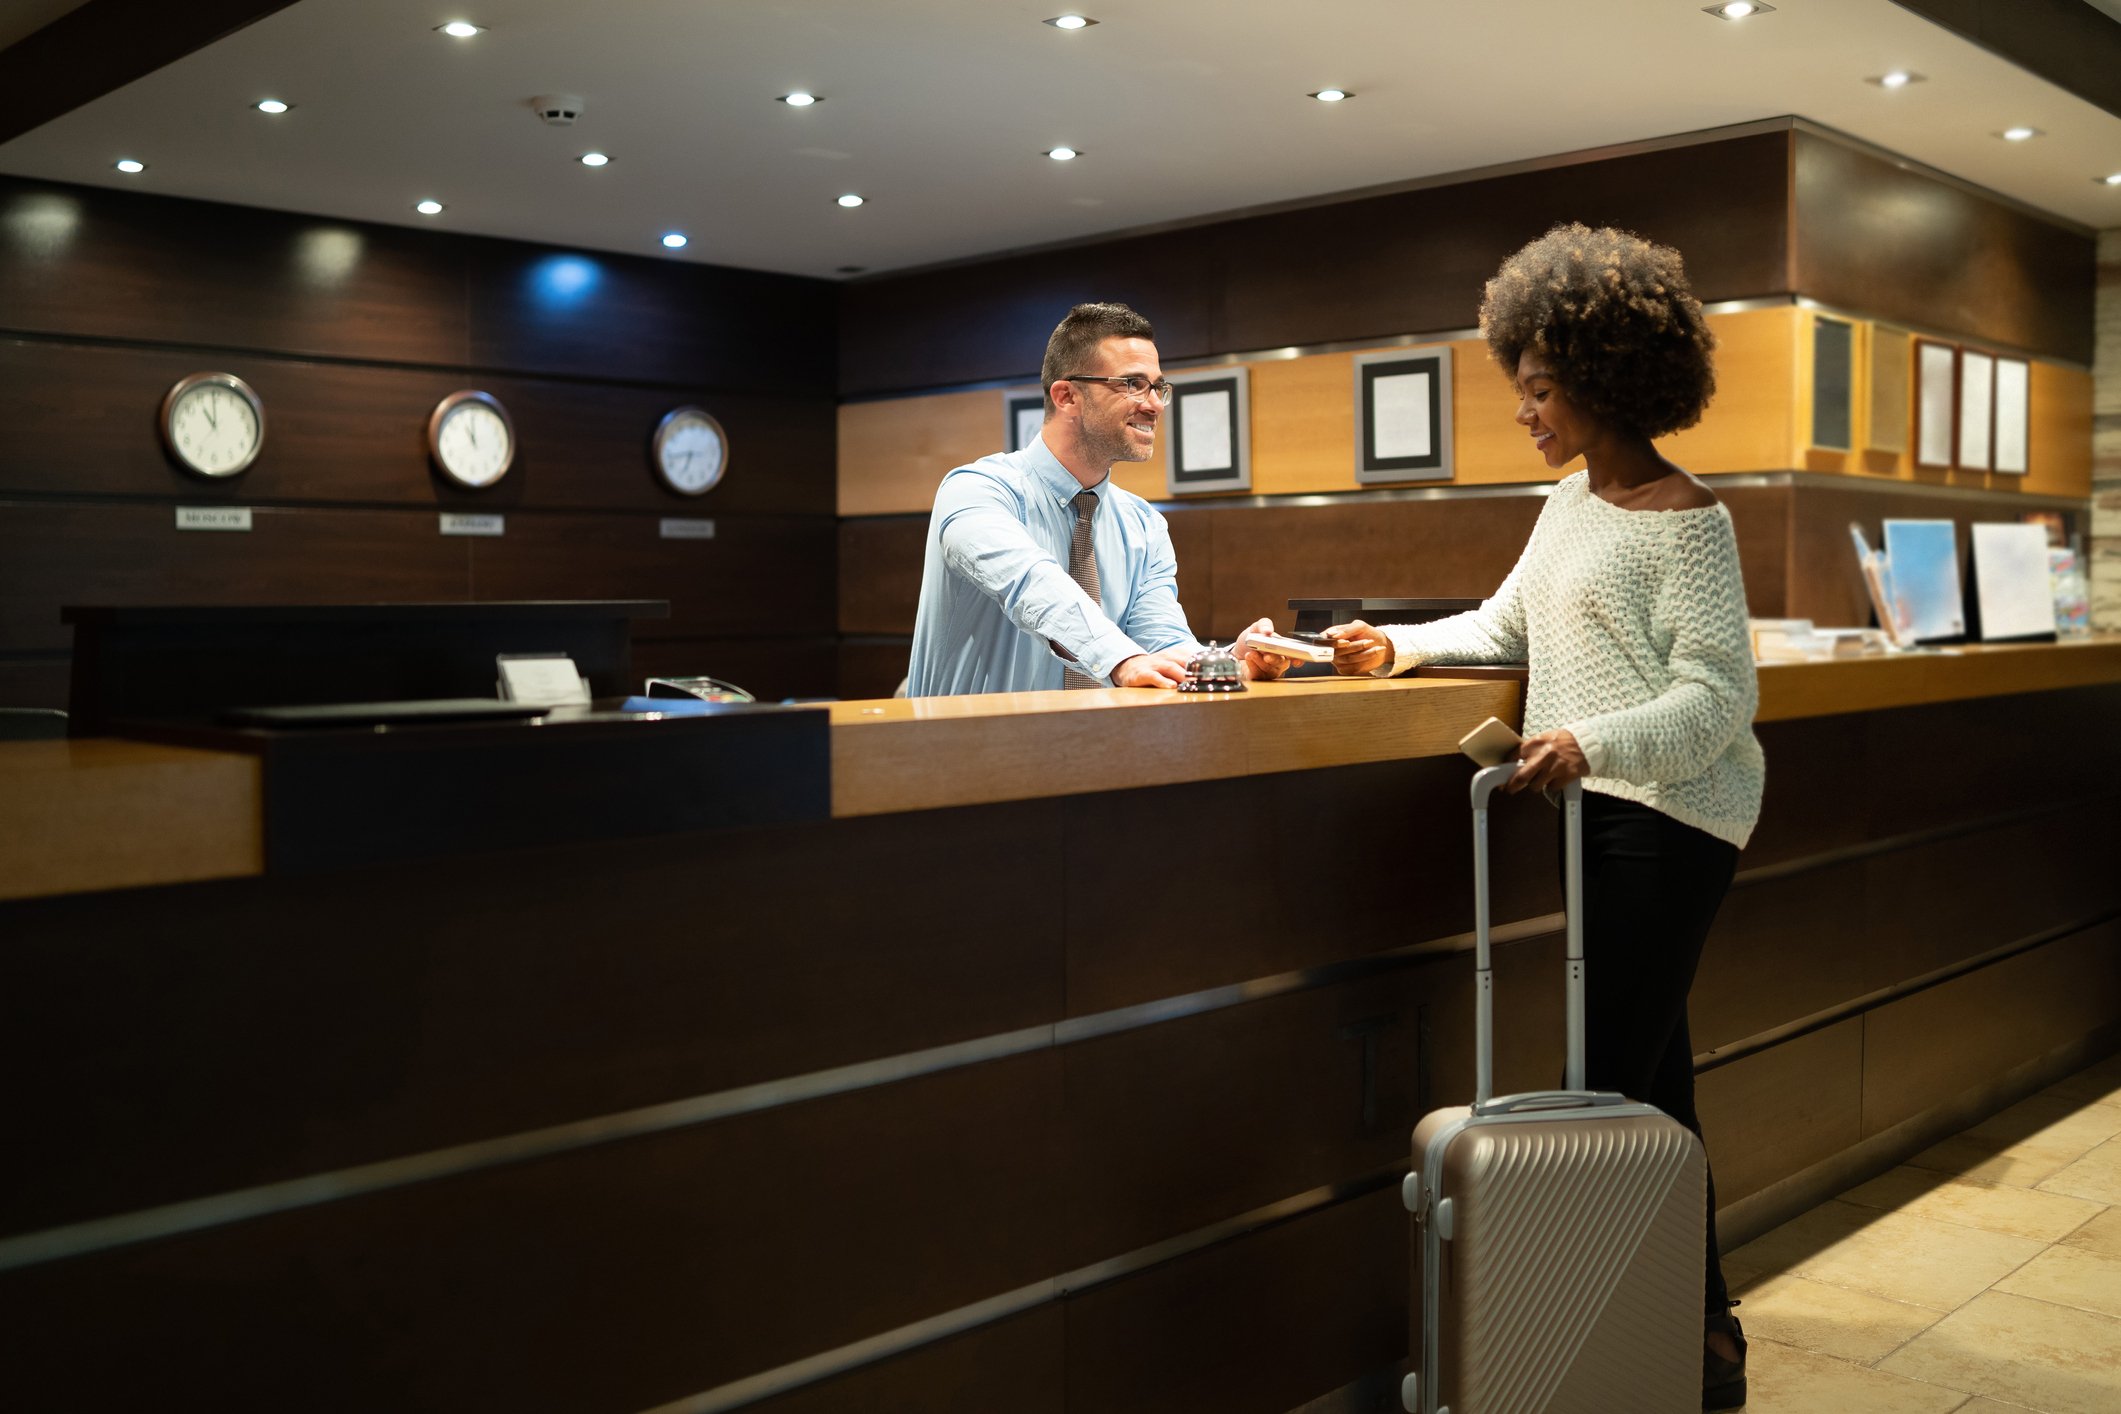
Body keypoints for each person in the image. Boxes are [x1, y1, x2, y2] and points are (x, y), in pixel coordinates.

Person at [1327, 224, 1763, 1411]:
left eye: (1538, 389)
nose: (1524, 412)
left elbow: (1718, 700)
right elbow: (1505, 623)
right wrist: (1392, 646)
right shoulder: (1567, 502)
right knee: (1651, 1084)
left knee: (1601, 1084)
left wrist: (1589, 740)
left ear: (1605, 378)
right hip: (1594, 814)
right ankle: (1702, 1338)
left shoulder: (1690, 518)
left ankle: (1586, 1347)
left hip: (1674, 819)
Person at [907, 302, 1288, 695]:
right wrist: (1121, 660)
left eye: (1158, 387)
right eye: (1133, 384)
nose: (1155, 404)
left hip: (1096, 736)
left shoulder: (1144, 525)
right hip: (963, 736)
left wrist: (1227, 662)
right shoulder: (976, 490)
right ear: (1066, 396)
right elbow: (1029, 584)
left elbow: (1161, 643)